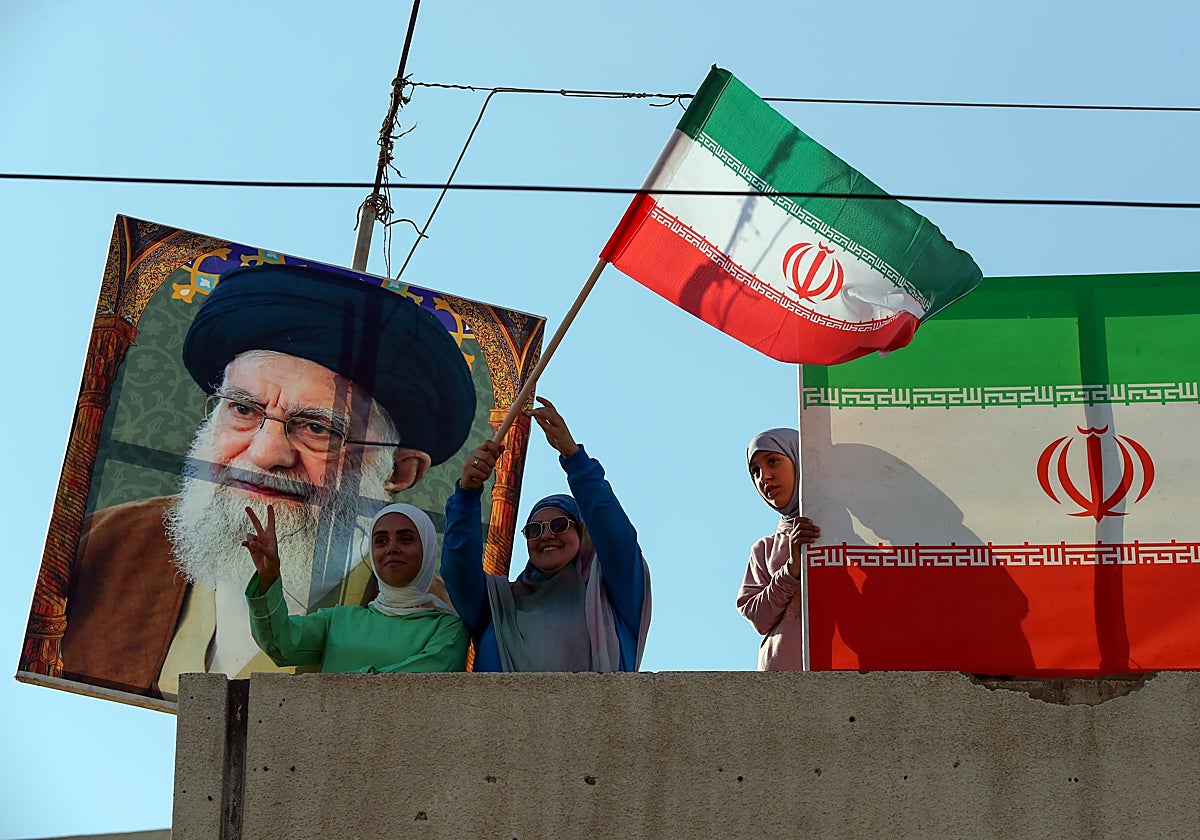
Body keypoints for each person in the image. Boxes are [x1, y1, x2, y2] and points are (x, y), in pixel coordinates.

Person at [61, 262, 476, 698]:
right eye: (243, 410)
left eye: (318, 428)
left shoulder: (440, 629)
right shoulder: (100, 545)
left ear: (398, 472)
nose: (265, 453)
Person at [442, 397, 651, 672]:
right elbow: (457, 568)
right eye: (534, 530)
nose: (546, 535)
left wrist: (573, 458)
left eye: (560, 525)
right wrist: (467, 492)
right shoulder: (499, 605)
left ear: (583, 533)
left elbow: (616, 536)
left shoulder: (612, 597)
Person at [242, 502, 468, 673]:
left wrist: (331, 686)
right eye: (380, 541)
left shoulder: (447, 630)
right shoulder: (337, 621)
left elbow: (413, 688)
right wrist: (269, 578)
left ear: (427, 549)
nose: (391, 548)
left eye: (405, 539)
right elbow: (280, 644)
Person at [736, 428, 821, 671]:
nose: (764, 477)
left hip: (841, 678)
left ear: (800, 460)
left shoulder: (845, 533)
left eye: (773, 461)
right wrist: (792, 568)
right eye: (755, 472)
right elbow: (758, 617)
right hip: (778, 687)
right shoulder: (764, 549)